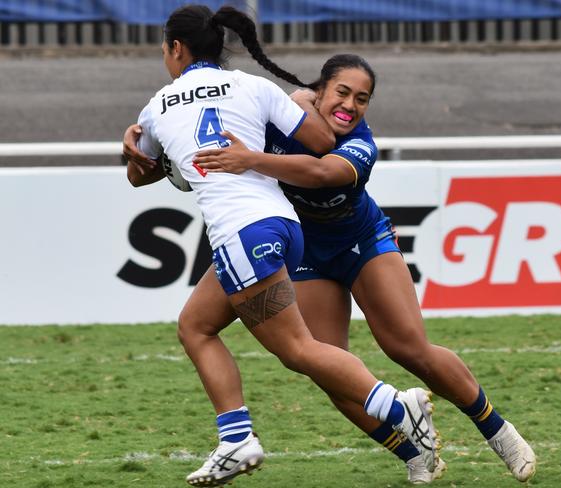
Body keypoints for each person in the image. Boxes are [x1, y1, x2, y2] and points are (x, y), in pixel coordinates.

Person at [123, 5, 438, 487]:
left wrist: (132, 147)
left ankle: (397, 405)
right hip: (284, 227)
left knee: (297, 350)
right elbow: (320, 138)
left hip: (239, 234)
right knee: (195, 325)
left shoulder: (156, 107)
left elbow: (137, 177)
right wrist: (294, 110)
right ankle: (234, 439)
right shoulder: (253, 85)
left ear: (175, 49)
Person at [190, 53, 537, 483]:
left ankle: (499, 432)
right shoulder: (280, 116)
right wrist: (144, 145)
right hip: (305, 255)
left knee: (409, 348)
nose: (351, 105)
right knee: (329, 367)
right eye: (342, 92)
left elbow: (319, 173)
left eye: (363, 98)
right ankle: (414, 454)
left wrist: (252, 160)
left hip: (362, 243)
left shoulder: (362, 144)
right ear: (318, 93)